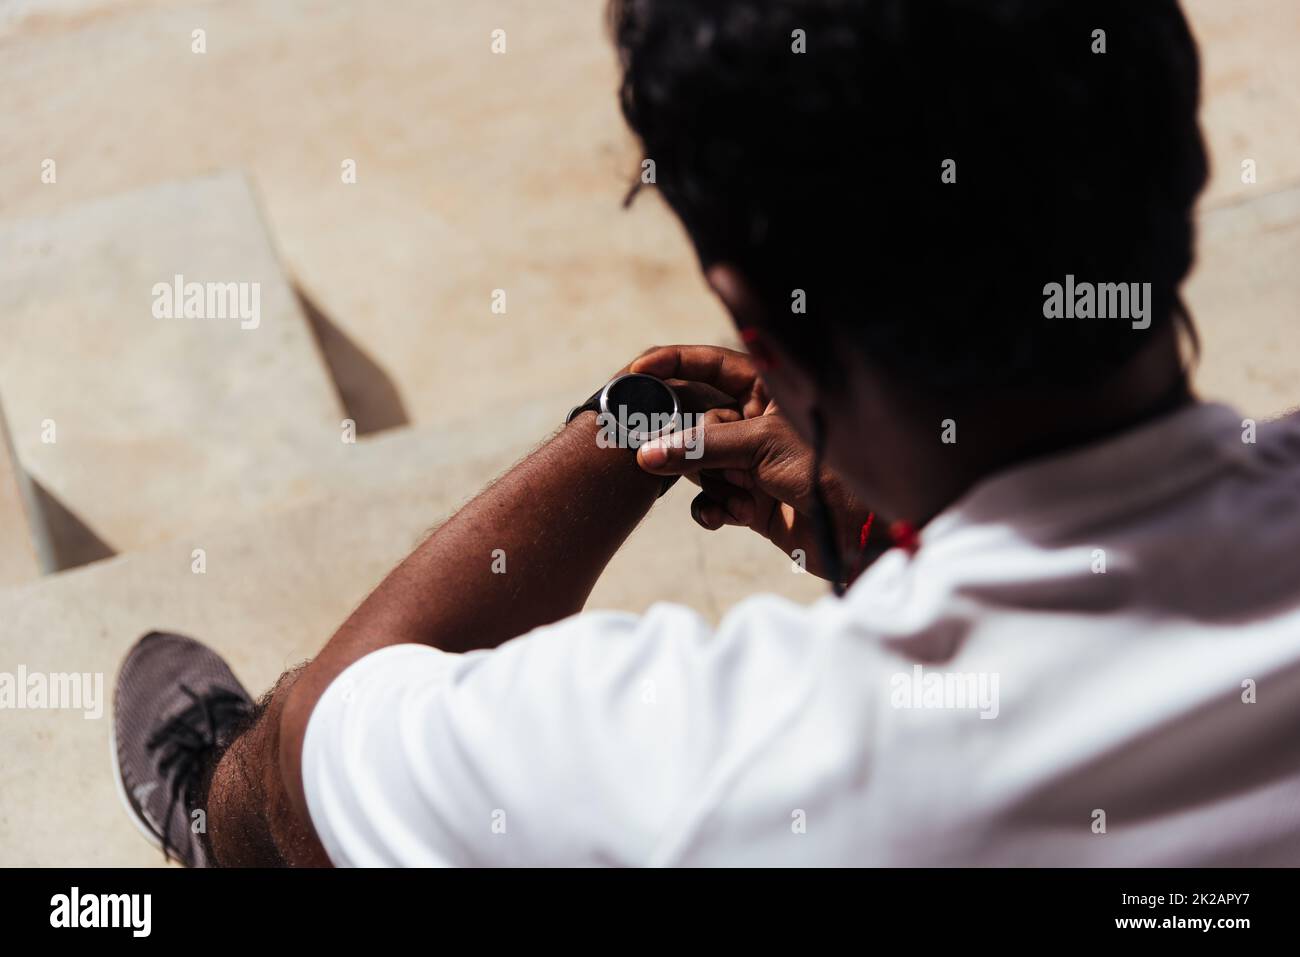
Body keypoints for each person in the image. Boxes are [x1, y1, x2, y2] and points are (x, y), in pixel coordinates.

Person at [112, 0, 1300, 866]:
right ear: (1183, 156)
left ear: (757, 325)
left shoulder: (707, 756)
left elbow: (313, 767)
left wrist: (630, 424)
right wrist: (901, 533)